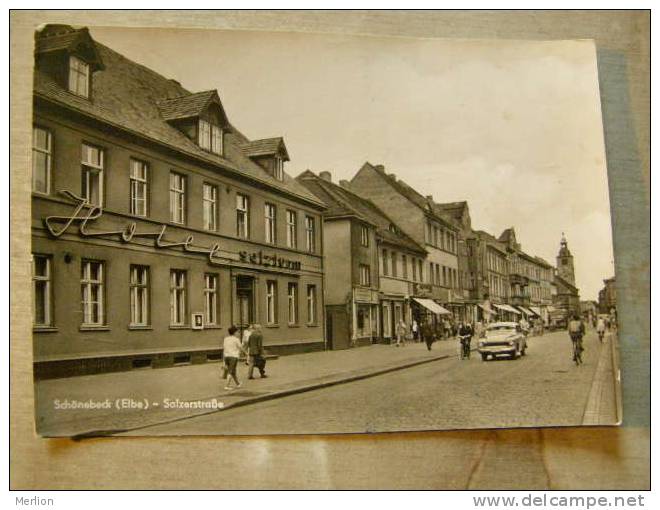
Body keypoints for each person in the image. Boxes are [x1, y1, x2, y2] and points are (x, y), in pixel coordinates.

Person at [223, 325, 245, 390]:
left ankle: (238, 383)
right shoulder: (236, 339)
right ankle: (227, 386)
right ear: (234, 332)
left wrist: (224, 358)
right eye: (237, 332)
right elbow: (241, 347)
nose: (238, 333)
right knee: (231, 371)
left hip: (227, 356)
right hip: (233, 357)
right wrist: (246, 353)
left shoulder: (226, 339)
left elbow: (224, 348)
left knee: (233, 371)